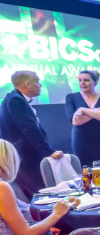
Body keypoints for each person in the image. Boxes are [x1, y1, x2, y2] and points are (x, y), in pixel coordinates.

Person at [0, 70, 64, 200]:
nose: (40, 85)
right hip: (25, 157)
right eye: (38, 82)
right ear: (27, 84)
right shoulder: (15, 100)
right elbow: (29, 128)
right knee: (39, 194)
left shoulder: (13, 98)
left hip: (22, 156)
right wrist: (48, 151)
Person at [64, 69, 100, 167]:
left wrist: (83, 110)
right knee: (85, 171)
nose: (82, 83)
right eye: (80, 80)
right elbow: (74, 121)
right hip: (81, 141)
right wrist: (98, 110)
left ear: (95, 82)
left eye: (86, 80)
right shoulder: (71, 97)